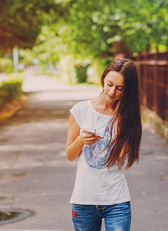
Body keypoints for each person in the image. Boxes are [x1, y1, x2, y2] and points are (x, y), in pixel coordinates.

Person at [66, 58, 142, 231]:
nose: (112, 91)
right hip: (84, 200)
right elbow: (70, 155)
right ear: (103, 79)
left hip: (116, 200)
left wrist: (122, 121)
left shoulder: (128, 117)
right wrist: (81, 140)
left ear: (127, 91)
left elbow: (121, 155)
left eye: (119, 88)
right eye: (109, 84)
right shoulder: (81, 110)